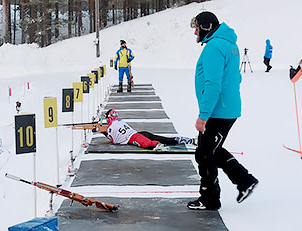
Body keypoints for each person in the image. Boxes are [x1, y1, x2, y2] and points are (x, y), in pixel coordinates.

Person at [188, 11, 258, 210]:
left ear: (206, 27)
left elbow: (213, 84)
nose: (195, 33)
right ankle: (245, 181)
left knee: (206, 155)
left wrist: (203, 115)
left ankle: (210, 199)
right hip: (225, 108)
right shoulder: (229, 44)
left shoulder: (214, 47)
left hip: (218, 111)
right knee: (209, 151)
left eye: (197, 28)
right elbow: (234, 78)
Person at [94, 109, 196, 150]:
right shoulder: (120, 121)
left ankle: (162, 146)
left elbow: (115, 141)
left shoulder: (111, 127)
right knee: (162, 138)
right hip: (139, 133)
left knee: (148, 144)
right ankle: (183, 139)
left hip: (135, 137)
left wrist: (103, 132)